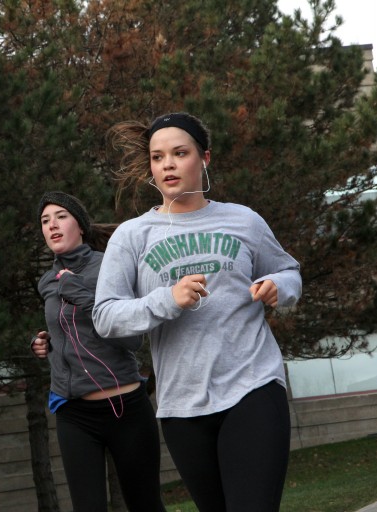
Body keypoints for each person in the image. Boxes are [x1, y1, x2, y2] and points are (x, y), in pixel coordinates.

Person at [93, 112, 302, 512]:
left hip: (253, 385)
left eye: (180, 153)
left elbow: (288, 270)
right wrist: (167, 300)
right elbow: (105, 316)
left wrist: (280, 286)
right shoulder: (132, 236)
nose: (168, 165)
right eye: (158, 157)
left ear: (204, 158)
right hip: (183, 404)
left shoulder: (243, 220)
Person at [31, 191, 166, 512]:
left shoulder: (109, 267)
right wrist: (44, 343)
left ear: (80, 225)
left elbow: (132, 340)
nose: (52, 225)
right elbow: (71, 333)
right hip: (75, 413)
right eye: (45, 221)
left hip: (125, 408)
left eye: (61, 216)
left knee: (145, 505)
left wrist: (79, 293)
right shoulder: (47, 281)